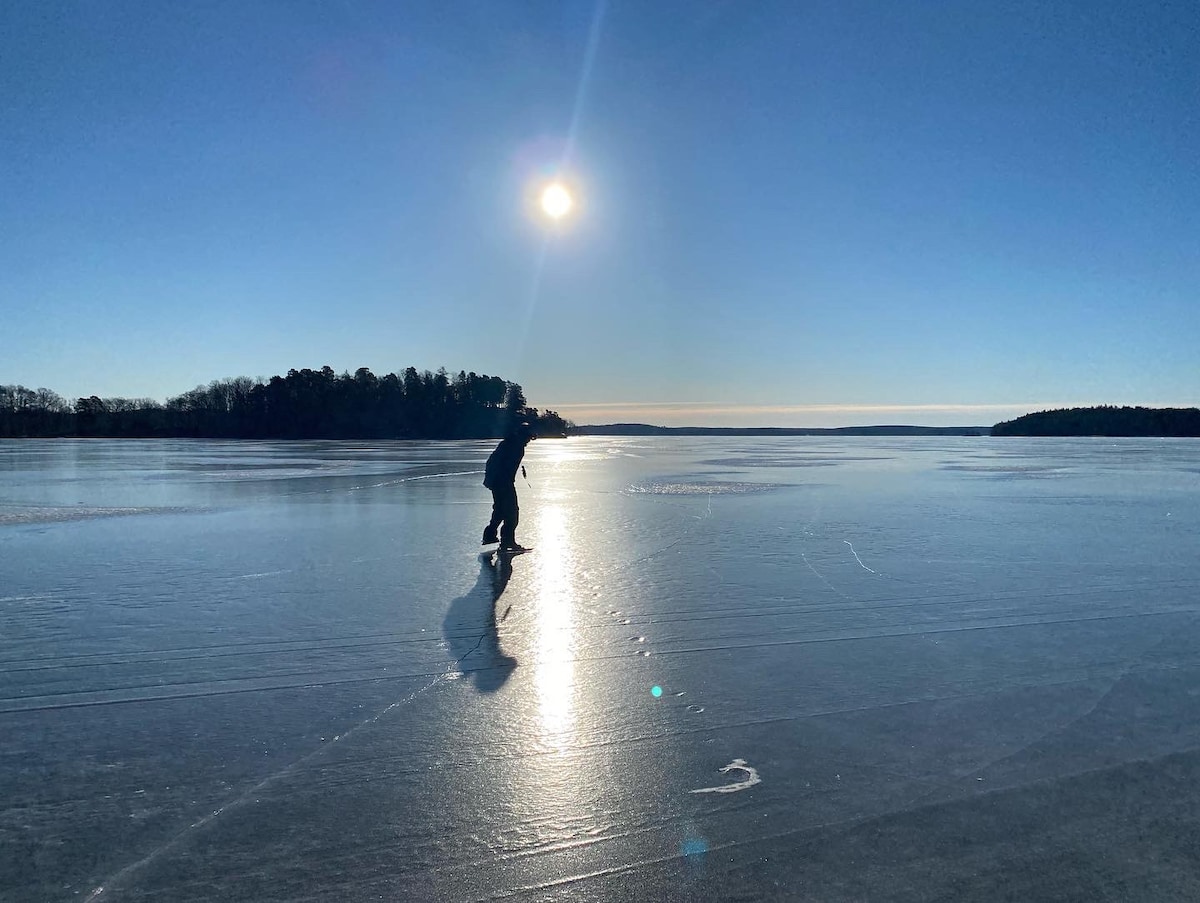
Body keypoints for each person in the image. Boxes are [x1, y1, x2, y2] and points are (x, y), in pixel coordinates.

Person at [482, 420, 536, 551]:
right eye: (528, 438)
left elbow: (494, 462)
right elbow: (497, 464)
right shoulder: (513, 445)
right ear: (522, 435)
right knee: (512, 512)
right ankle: (507, 541)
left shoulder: (511, 443)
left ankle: (489, 535)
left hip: (499, 481)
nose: (528, 441)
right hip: (502, 482)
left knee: (500, 510)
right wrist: (497, 480)